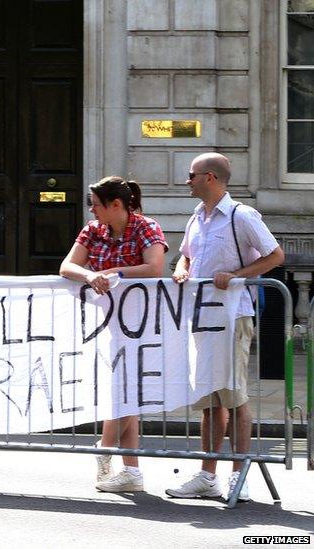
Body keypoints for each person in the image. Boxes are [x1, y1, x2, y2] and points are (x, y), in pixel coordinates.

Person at [165, 153, 284, 502]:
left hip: (233, 316)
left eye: (191, 175)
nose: (187, 181)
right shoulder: (197, 217)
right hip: (201, 315)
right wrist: (181, 268)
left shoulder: (241, 215)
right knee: (209, 396)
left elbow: (275, 256)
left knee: (233, 395)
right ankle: (207, 473)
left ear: (211, 178)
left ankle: (238, 474)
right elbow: (186, 254)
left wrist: (236, 276)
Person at [59, 177, 167, 493]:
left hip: (142, 322)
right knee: (122, 392)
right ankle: (129, 468)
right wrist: (90, 274)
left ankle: (105, 451)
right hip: (106, 322)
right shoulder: (93, 231)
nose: (91, 209)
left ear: (115, 205)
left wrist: (111, 274)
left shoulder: (145, 227)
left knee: (126, 391)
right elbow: (67, 266)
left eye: (95, 203)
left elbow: (154, 266)